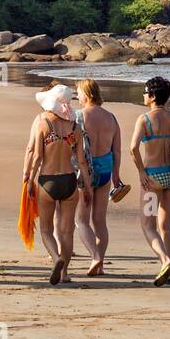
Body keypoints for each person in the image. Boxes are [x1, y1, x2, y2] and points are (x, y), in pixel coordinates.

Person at [23, 84, 92, 285]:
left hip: (48, 181)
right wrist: (87, 186)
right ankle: (64, 273)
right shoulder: (75, 128)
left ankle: (56, 258)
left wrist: (29, 178)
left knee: (46, 229)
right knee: (66, 230)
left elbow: (36, 156)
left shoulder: (44, 123)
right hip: (70, 181)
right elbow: (81, 161)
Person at [129, 75, 170, 286]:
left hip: (152, 178)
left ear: (153, 96)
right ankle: (169, 272)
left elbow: (133, 148)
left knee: (148, 225)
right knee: (166, 225)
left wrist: (141, 173)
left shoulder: (144, 119)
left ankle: (165, 261)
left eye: (146, 92)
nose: (144, 95)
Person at [73, 79, 126, 276]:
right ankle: (100, 265)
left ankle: (95, 256)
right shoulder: (111, 118)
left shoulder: (78, 117)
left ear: (86, 94)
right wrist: (116, 175)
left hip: (84, 171)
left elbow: (73, 148)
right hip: (105, 169)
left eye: (78, 92)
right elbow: (117, 150)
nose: (77, 96)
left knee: (82, 220)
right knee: (100, 221)